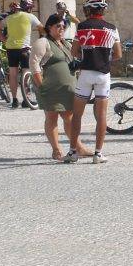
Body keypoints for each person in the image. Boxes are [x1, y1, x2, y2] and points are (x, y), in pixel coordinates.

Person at [63, 0, 121, 164]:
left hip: (85, 73)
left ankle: (73, 152)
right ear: (103, 10)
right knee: (101, 116)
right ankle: (98, 153)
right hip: (103, 74)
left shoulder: (81, 27)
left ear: (89, 10)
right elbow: (118, 54)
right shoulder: (111, 28)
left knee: (77, 115)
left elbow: (74, 51)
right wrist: (103, 59)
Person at [30, 14, 87, 161]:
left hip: (68, 90)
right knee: (51, 117)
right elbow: (34, 64)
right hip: (50, 88)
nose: (61, 29)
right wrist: (40, 84)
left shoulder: (65, 44)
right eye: (58, 26)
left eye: (63, 26)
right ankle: (56, 150)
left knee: (69, 117)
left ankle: (78, 147)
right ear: (49, 27)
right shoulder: (43, 42)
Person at [3, 0, 43, 108]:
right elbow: (42, 28)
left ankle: (15, 100)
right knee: (27, 73)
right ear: (29, 8)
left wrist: (3, 39)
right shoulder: (30, 16)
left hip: (11, 48)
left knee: (13, 74)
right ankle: (27, 99)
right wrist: (41, 37)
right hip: (24, 49)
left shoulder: (10, 17)